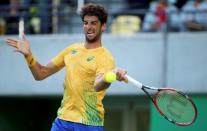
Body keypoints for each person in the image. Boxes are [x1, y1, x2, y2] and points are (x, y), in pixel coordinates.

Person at [5, 3, 127, 131]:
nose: (88, 27)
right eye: (86, 23)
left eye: (93, 23)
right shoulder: (71, 50)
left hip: (89, 124)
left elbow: (98, 85)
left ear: (103, 26)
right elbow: (41, 73)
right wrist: (28, 55)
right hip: (63, 121)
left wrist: (110, 77)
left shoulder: (105, 57)